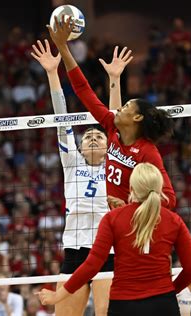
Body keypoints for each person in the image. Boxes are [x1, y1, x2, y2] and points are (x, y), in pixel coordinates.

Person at [47, 16, 176, 210]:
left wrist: (130, 204)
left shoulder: (148, 152)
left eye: (126, 107)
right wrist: (63, 47)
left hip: (134, 224)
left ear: (137, 118)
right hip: (113, 220)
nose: (119, 109)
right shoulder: (112, 127)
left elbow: (169, 200)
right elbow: (83, 89)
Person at [37, 163, 191, 315]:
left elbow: (92, 265)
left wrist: (57, 296)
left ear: (131, 187)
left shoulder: (112, 218)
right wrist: (170, 290)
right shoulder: (173, 220)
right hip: (163, 304)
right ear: (160, 187)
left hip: (124, 304)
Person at [31, 39, 112, 316]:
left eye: (97, 135)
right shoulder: (71, 161)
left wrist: (114, 80)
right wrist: (53, 72)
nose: (91, 136)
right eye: (87, 134)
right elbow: (62, 120)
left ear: (108, 145)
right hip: (75, 250)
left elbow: (116, 121)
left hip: (108, 251)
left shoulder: (116, 165)